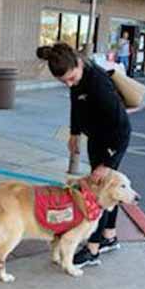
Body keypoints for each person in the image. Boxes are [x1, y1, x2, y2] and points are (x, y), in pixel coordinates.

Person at [37, 42, 131, 268]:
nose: (70, 84)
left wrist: (107, 163)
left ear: (79, 63)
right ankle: (109, 236)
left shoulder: (99, 84)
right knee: (108, 190)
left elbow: (123, 129)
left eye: (71, 78)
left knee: (101, 193)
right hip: (97, 137)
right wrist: (74, 133)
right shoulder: (78, 81)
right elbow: (76, 105)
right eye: (65, 82)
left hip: (112, 141)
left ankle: (93, 249)